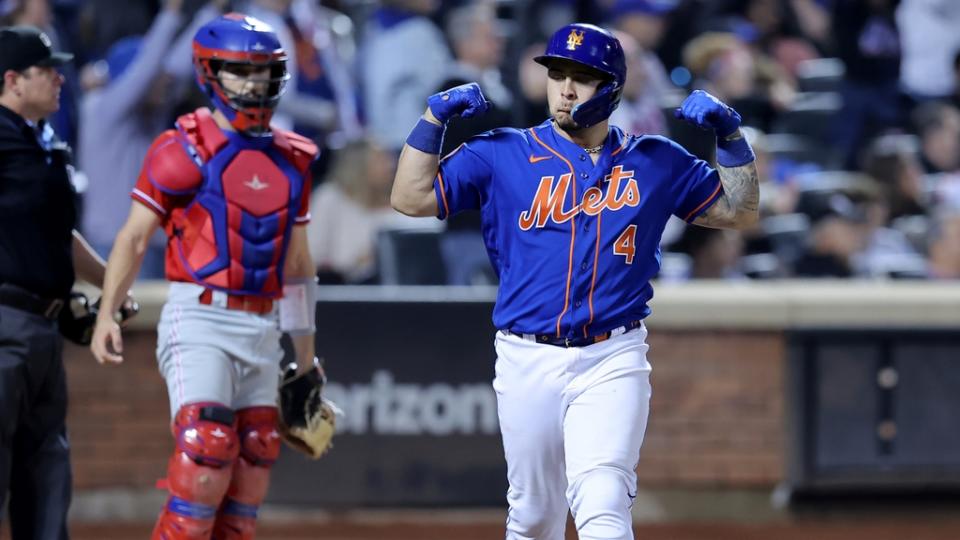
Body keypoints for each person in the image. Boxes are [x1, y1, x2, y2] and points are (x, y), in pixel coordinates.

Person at [391, 23, 759, 540]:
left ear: (610, 88)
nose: (564, 88)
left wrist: (732, 139)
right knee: (534, 517)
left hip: (613, 354)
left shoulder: (655, 159)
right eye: (557, 74)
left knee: (603, 498)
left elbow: (738, 212)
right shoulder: (502, 152)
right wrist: (432, 120)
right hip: (526, 356)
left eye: (581, 78)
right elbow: (410, 198)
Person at [89, 13, 320, 539]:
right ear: (209, 74)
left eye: (264, 73)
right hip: (201, 317)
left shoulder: (292, 159)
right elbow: (131, 237)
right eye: (242, 72)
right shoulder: (182, 148)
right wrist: (107, 312)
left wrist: (305, 359)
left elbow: (298, 267)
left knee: (250, 473)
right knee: (205, 449)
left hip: (263, 327)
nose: (255, 84)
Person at [0, 24, 115, 539]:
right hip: (3, 325)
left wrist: (114, 283)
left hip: (45, 330)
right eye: (45, 71)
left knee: (47, 478)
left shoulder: (45, 142)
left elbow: (57, 233)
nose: (58, 78)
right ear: (12, 81)